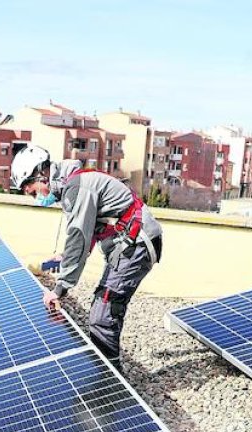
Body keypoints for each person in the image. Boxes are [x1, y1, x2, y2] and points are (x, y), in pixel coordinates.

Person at [11, 143, 163, 370]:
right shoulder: (74, 184)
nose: (36, 198)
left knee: (103, 314)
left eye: (32, 191)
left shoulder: (77, 187)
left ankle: (110, 383)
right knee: (104, 307)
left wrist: (60, 289)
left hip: (136, 245)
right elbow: (89, 230)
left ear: (41, 174)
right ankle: (108, 373)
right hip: (130, 243)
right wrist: (66, 256)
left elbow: (78, 237)